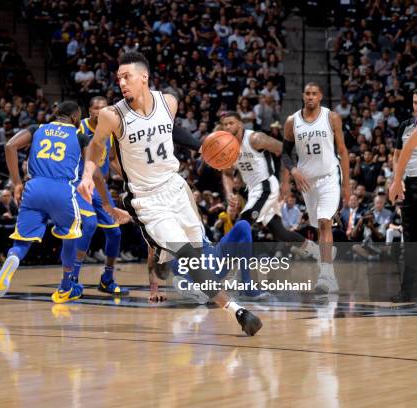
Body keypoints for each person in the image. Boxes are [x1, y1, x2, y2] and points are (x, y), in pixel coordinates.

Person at [77, 51, 262, 336]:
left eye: (127, 77)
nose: (122, 83)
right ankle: (238, 311)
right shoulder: (112, 115)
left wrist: (201, 145)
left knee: (201, 257)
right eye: (118, 78)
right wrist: (88, 174)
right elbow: (96, 146)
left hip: (176, 188)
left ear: (144, 78)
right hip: (147, 199)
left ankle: (163, 255)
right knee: (188, 256)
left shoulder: (169, 102)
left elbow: (170, 129)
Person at [0, 101, 102, 303]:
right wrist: (87, 179)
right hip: (62, 190)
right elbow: (91, 161)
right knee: (71, 235)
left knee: (22, 240)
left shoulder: (37, 129)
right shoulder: (80, 136)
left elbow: (9, 146)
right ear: (76, 119)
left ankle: (13, 258)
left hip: (33, 188)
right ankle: (66, 285)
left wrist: (16, 182)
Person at [220, 111, 321, 259]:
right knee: (280, 232)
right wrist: (230, 194)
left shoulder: (255, 138)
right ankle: (317, 251)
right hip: (253, 190)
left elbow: (286, 151)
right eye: (225, 124)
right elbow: (227, 173)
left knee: (243, 222)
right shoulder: (228, 148)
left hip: (266, 186)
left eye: (231, 123)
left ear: (240, 124)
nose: (228, 127)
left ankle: (234, 269)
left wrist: (285, 182)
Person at [281, 82, 350, 294]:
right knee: (316, 226)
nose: (310, 97)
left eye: (314, 94)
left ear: (320, 96)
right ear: (303, 96)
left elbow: (343, 151)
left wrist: (346, 184)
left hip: (329, 177)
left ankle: (326, 276)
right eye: (307, 94)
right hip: (306, 181)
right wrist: (291, 172)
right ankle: (329, 266)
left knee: (324, 223)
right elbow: (285, 154)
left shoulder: (331, 117)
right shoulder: (292, 121)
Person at [72, 96, 127, 296]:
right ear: (89, 110)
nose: (100, 111)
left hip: (100, 188)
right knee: (88, 225)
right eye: (96, 108)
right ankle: (72, 278)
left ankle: (107, 279)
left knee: (115, 233)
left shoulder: (110, 131)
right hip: (81, 186)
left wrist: (128, 177)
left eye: (104, 108)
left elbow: (112, 159)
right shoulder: (80, 129)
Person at [389, 89, 417, 301]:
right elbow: (397, 155)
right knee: (409, 239)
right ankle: (407, 291)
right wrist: (396, 181)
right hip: (408, 185)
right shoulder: (405, 126)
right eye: (415, 102)